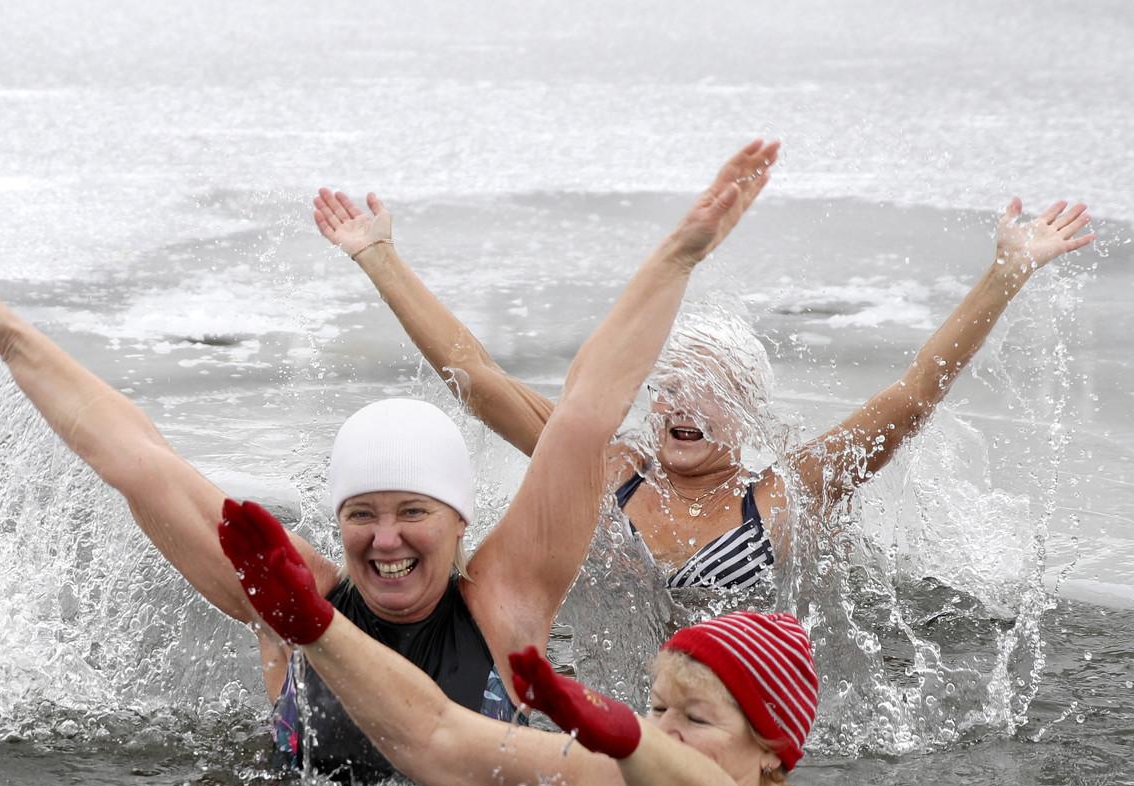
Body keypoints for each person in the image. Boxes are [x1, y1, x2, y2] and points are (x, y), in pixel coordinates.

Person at [0, 141, 777, 781]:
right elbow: (138, 461)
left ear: (460, 521)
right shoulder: (294, 601)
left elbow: (587, 413)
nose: (386, 540)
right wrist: (12, 340)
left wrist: (678, 256)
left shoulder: (507, 601)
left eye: (411, 512)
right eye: (363, 514)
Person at [313, 185, 1096, 596]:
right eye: (669, 386)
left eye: (710, 389)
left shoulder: (792, 492)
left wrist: (1007, 273)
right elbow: (479, 381)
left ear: (749, 407)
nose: (680, 403)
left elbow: (916, 393)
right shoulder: (606, 469)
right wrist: (378, 256)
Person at [218, 498, 831, 786]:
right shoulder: (609, 779)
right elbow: (437, 736)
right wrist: (319, 628)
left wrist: (631, 740)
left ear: (774, 751)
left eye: (695, 719)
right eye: (656, 708)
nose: (664, 731)